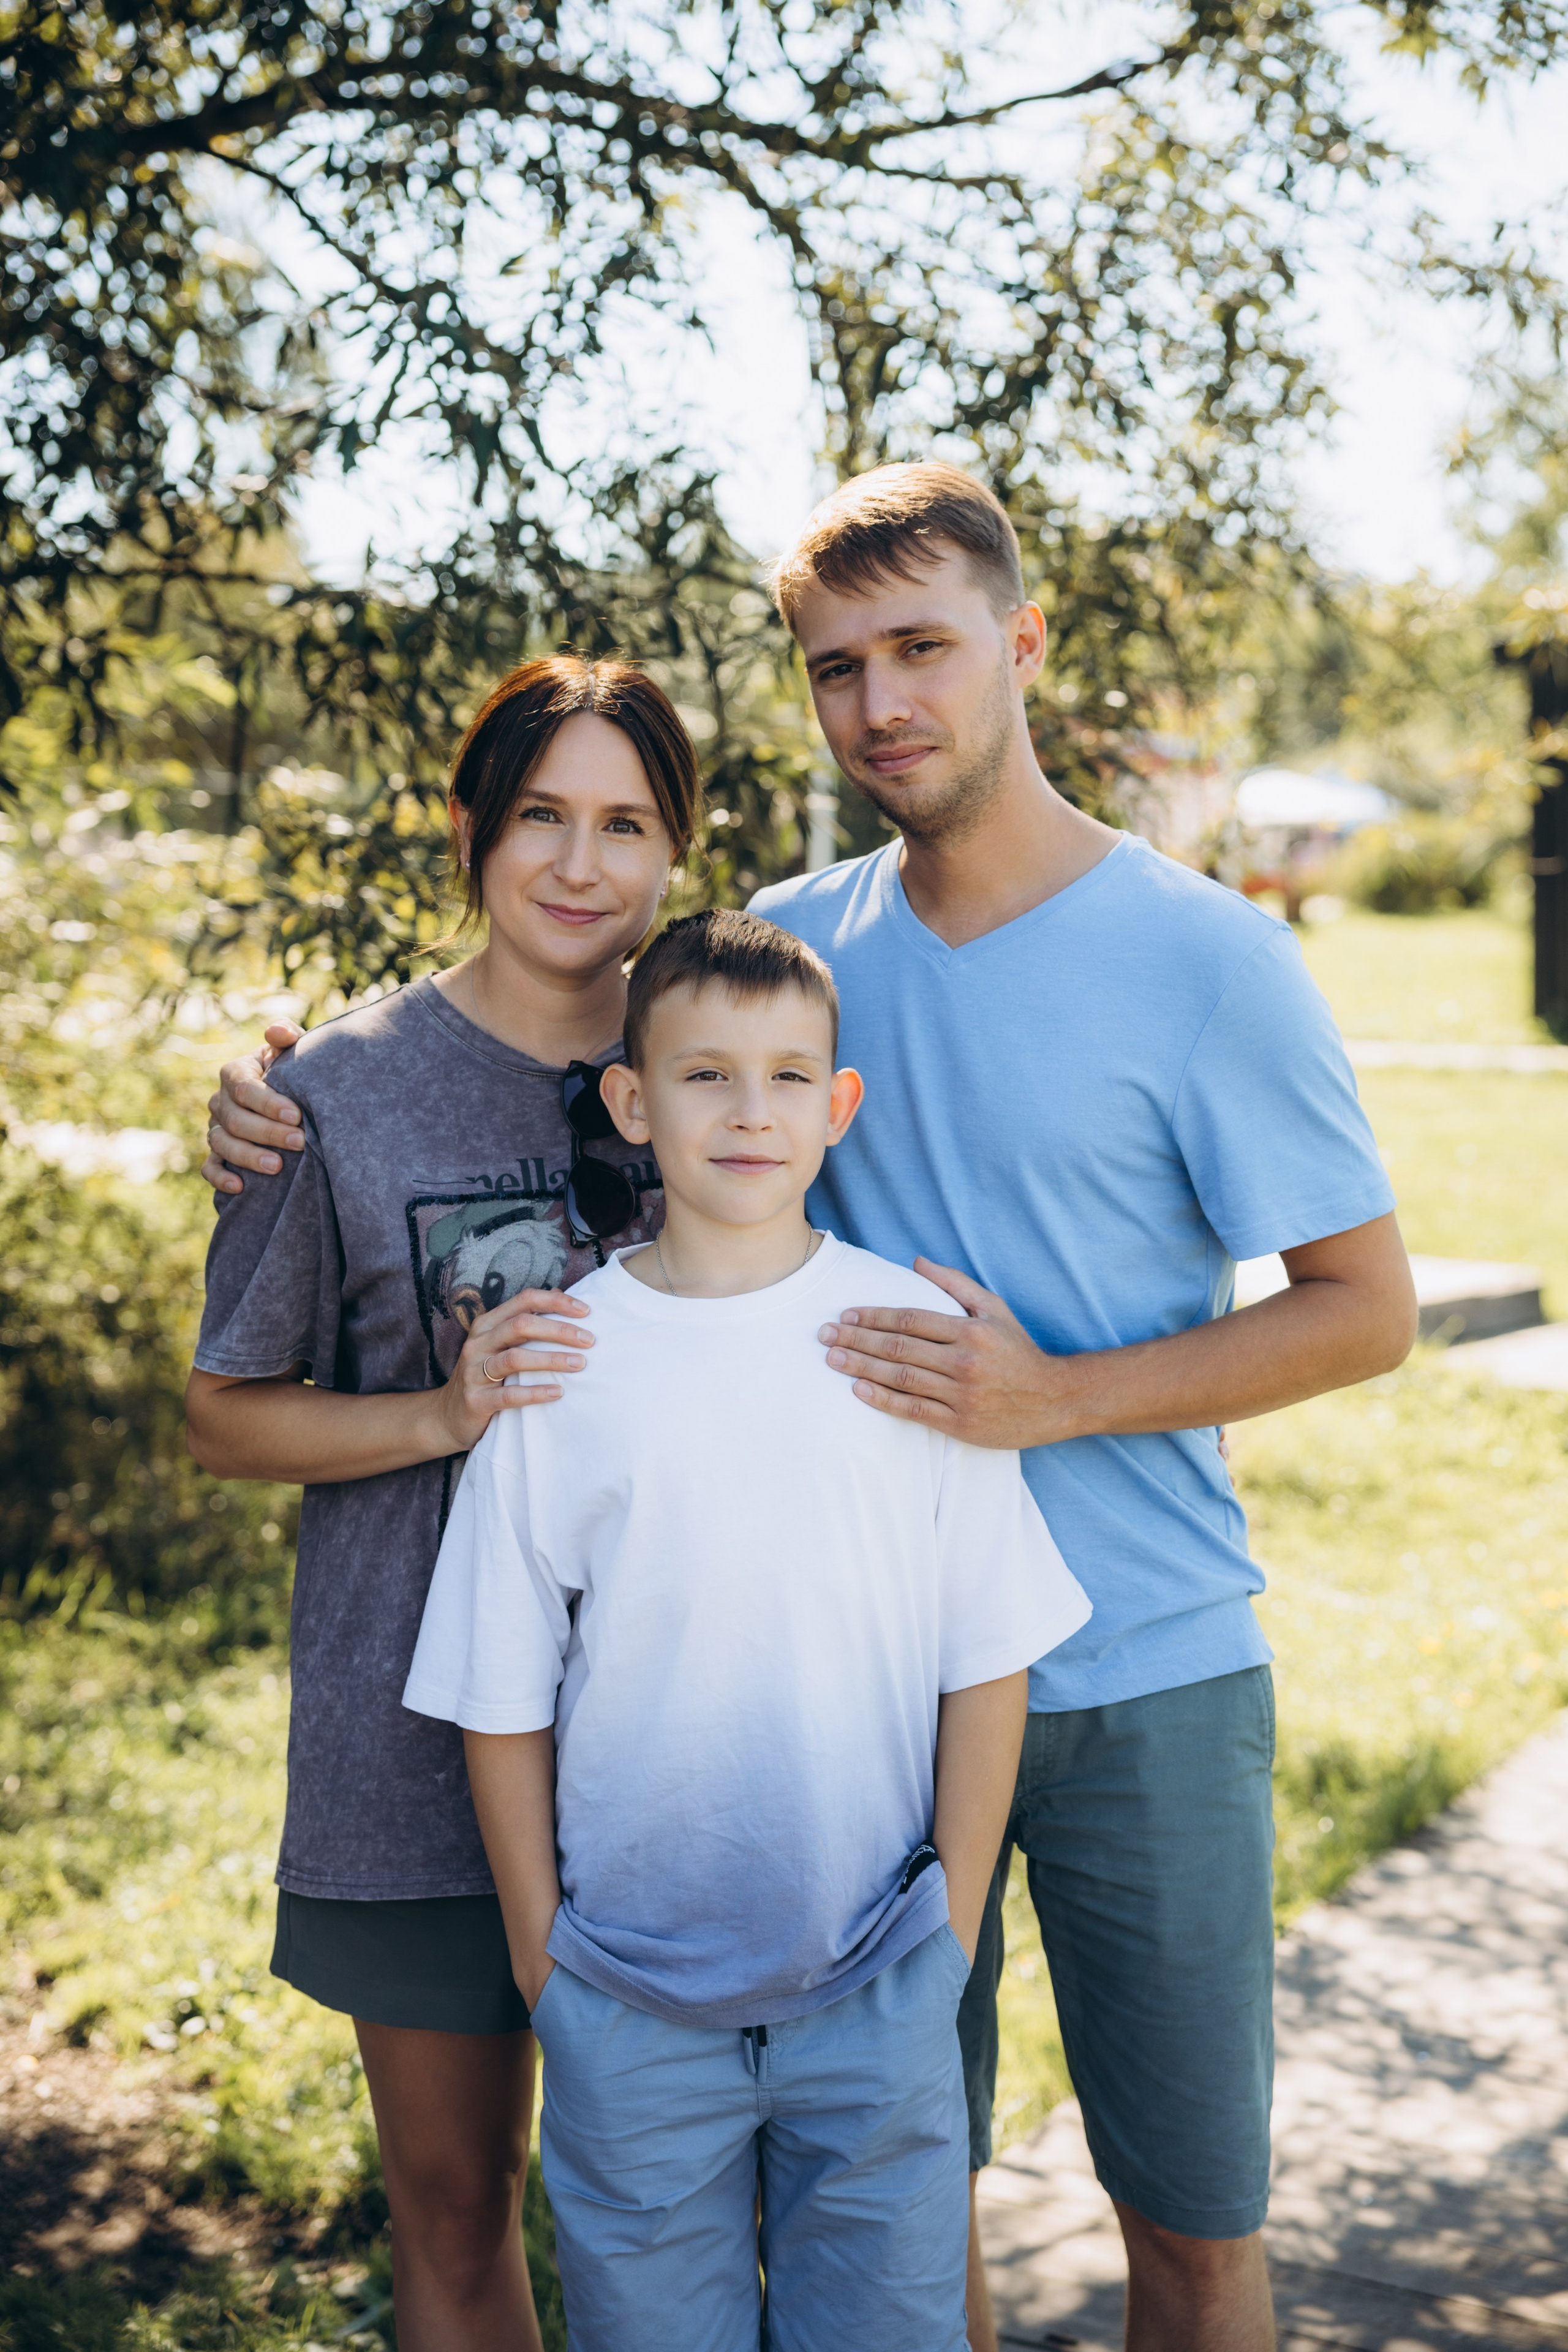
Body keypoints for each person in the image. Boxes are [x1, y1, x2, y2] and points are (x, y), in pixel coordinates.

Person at [202, 466, 1419, 2352]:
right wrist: (284, 1084)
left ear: (1022, 646)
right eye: (837, 669)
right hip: (845, 1701)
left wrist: (1057, 1397)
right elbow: (550, 1031)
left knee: (1190, 2230)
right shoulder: (796, 947)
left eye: (923, 649)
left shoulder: (1209, 959)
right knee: (906, 2214)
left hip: (1143, 1673)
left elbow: (1368, 1313)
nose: (883, 707)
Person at [401, 908, 1091, 2352]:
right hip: (627, 2004)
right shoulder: (563, 1360)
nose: (749, 1110)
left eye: (788, 1076)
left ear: (837, 1109)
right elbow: (499, 1692)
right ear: (633, 1104)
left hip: (874, 1983)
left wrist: (948, 1934)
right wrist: (544, 1959)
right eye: (705, 1075)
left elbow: (989, 1661)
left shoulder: (903, 1341)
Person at [184, 654, 703, 2352]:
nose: (580, 863)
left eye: (626, 824)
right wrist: (439, 1412)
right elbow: (226, 1418)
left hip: (681, 1737)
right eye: (541, 814)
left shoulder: (726, 1067)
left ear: (678, 853)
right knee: (460, 2210)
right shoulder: (332, 1088)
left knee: (702, 2205)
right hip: (408, 1743)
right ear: (473, 829)